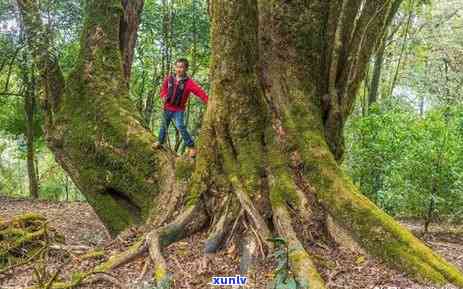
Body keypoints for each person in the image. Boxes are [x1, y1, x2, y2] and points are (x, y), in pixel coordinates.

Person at [154, 58, 208, 158]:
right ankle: (160, 142)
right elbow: (164, 89)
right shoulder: (169, 79)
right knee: (163, 126)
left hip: (178, 110)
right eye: (177, 67)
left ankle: (191, 147)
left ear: (186, 69)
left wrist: (207, 100)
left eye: (181, 67)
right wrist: (163, 96)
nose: (179, 69)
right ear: (175, 67)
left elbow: (199, 91)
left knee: (180, 126)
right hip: (167, 107)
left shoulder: (189, 83)